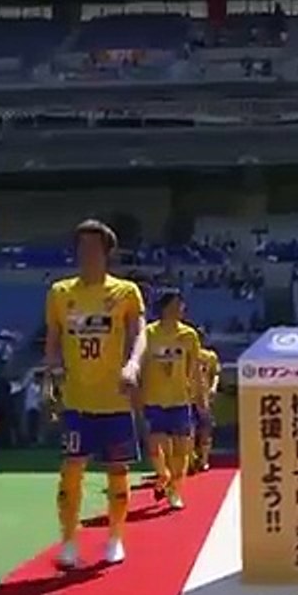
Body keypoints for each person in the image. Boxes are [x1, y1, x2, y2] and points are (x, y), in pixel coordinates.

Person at [45, 220, 147, 569]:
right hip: (77, 399)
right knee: (71, 470)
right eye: (81, 247)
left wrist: (133, 365)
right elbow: (54, 339)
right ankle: (69, 541)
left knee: (117, 470)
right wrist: (53, 370)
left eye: (92, 248)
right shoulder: (60, 293)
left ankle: (115, 538)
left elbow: (139, 334)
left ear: (106, 253)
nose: (85, 254)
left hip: (114, 400)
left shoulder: (125, 292)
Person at [134, 288, 201, 510]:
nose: (178, 309)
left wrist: (198, 395)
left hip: (180, 400)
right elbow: (139, 365)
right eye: (173, 305)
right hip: (154, 400)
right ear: (163, 308)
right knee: (158, 448)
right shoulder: (149, 333)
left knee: (182, 451)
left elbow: (194, 368)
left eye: (180, 305)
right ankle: (162, 476)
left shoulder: (189, 335)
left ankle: (175, 491)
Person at [191, 332, 221, 472]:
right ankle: (190, 460)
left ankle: (204, 460)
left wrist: (213, 388)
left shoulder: (209, 356)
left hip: (203, 398)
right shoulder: (186, 354)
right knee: (188, 432)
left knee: (206, 430)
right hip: (186, 397)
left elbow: (215, 374)